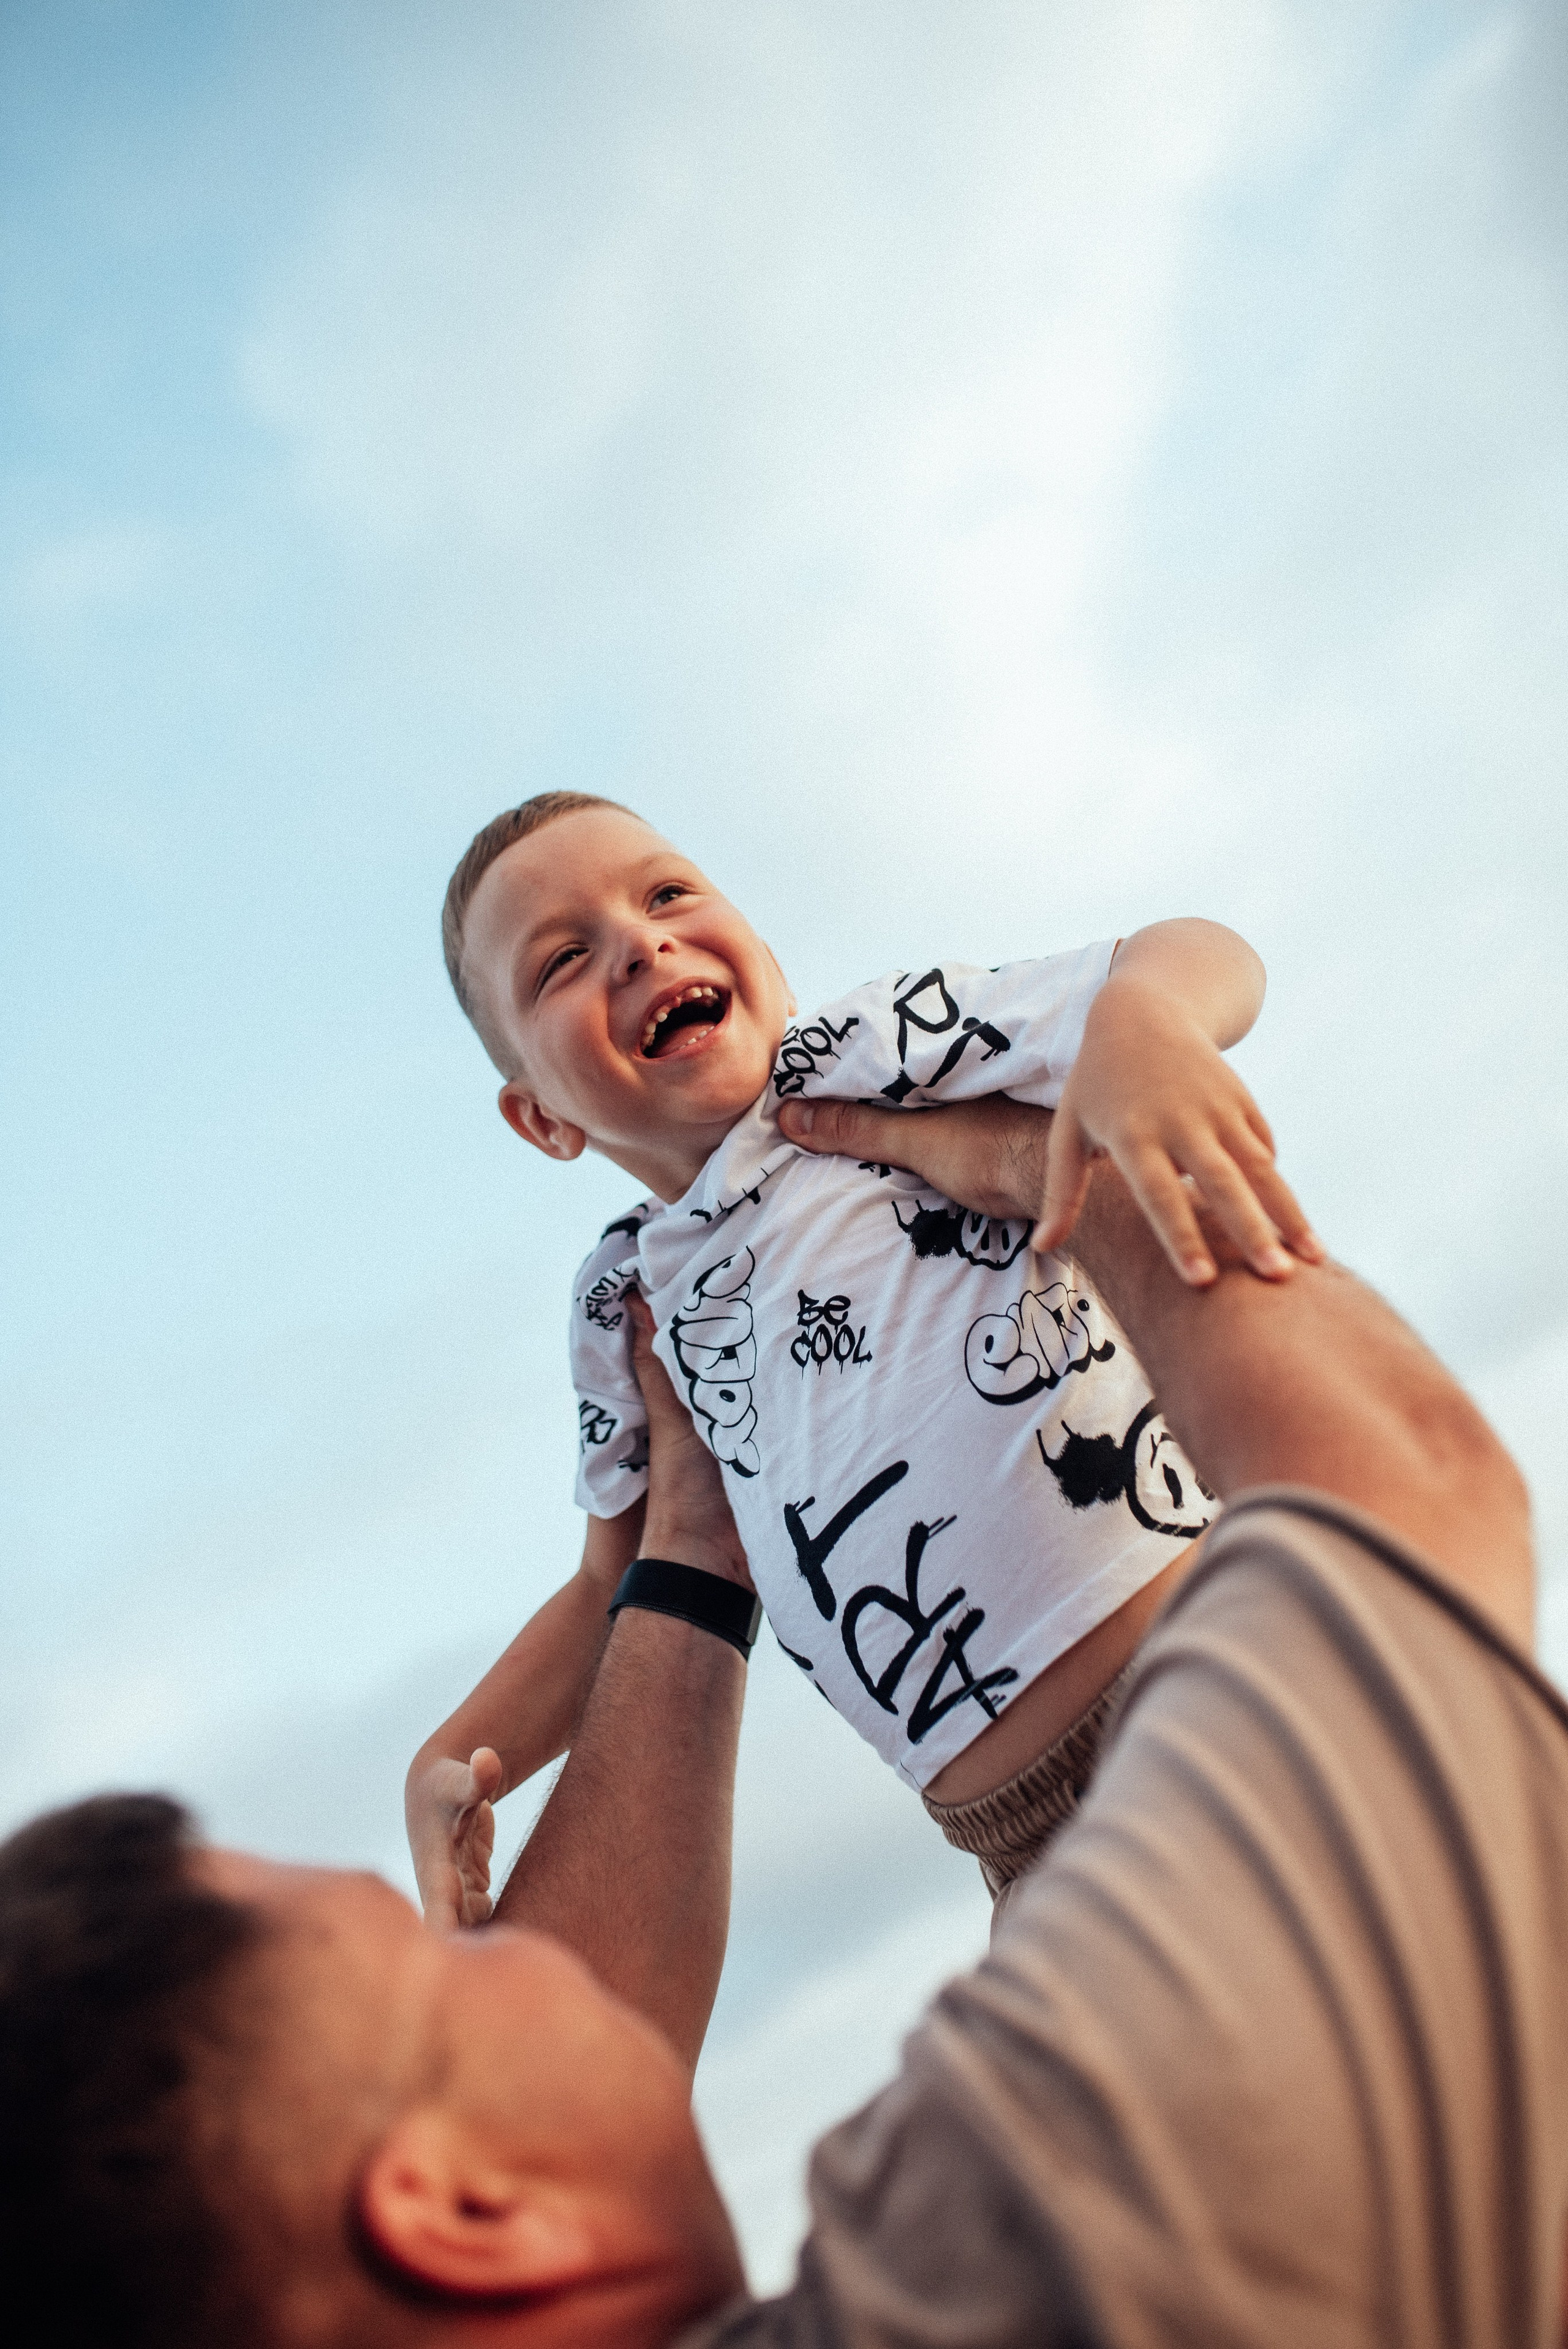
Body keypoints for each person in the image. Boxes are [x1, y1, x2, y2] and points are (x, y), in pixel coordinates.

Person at [5, 1092, 1564, 2347]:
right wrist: (1057, 1164)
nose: (522, 1951)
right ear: (463, 2215)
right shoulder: (1034, 2231)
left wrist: (693, 1537)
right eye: (443, 1969)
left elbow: (593, 2039)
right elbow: (1399, 1485)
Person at [407, 791, 1322, 1926]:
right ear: (543, 1120)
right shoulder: (622, 1302)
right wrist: (449, 1757)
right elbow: (611, 1582)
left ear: (767, 958)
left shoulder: (866, 1053)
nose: (640, 945)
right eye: (563, 959)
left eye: (668, 894)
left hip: (1237, 1665)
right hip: (1033, 1850)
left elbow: (1199, 953)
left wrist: (1146, 1022)